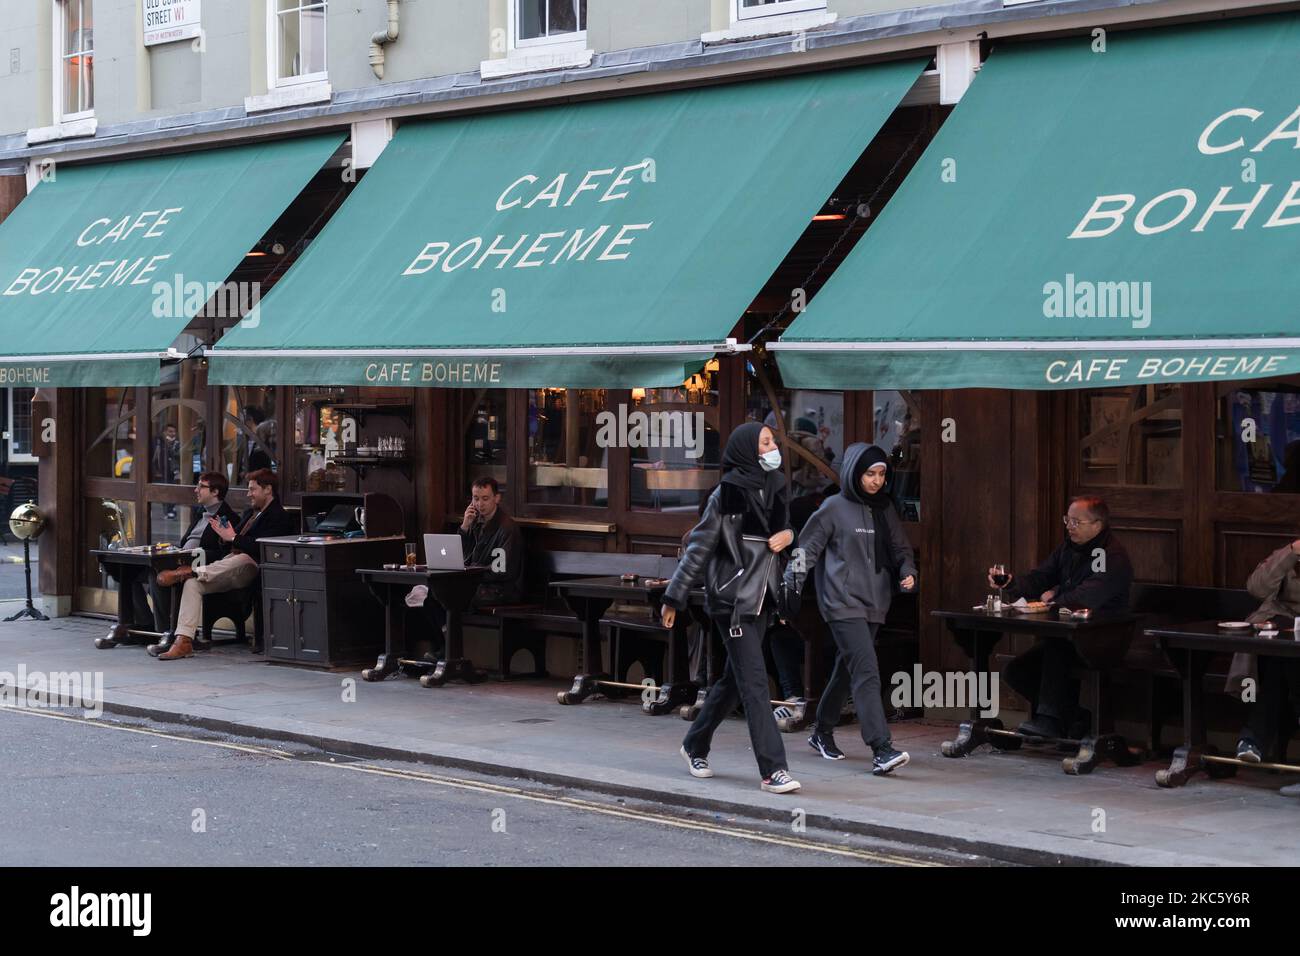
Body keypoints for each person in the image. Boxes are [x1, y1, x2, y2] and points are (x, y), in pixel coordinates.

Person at [661, 422, 801, 794]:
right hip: (733, 600)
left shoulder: (776, 486)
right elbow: (699, 547)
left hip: (764, 598)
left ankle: (694, 743)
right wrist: (674, 597)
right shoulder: (726, 494)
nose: (774, 448)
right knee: (755, 683)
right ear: (747, 450)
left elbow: (785, 532)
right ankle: (773, 770)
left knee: (735, 682)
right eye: (766, 443)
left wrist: (789, 535)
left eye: (773, 442)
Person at [785, 443, 916, 775]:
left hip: (876, 602)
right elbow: (806, 549)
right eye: (870, 474)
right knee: (867, 670)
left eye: (882, 474)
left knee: (848, 668)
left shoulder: (884, 508)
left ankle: (821, 731)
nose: (876, 481)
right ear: (853, 474)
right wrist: (791, 584)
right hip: (842, 602)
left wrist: (908, 572)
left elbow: (901, 548)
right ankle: (881, 748)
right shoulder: (832, 508)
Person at [996, 495, 1133, 739]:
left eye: (1076, 522)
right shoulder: (1068, 548)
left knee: (1056, 651)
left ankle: (1050, 721)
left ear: (1097, 525)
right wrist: (1012, 583)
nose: (1069, 526)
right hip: (1070, 633)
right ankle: (1077, 719)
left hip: (1103, 636)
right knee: (1017, 670)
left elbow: (1089, 594)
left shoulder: (1108, 555)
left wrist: (1055, 596)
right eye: (1067, 520)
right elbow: (1041, 577)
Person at [154, 469, 297, 660]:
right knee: (192, 584)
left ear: (268, 489)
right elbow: (231, 541)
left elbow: (265, 548)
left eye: (252, 489)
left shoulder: (279, 516)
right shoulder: (250, 513)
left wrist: (234, 537)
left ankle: (191, 571)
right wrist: (226, 537)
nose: (248, 494)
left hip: (254, 566)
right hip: (228, 566)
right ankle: (184, 641)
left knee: (242, 559)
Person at [413, 476, 525, 657]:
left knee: (450, 597)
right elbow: (462, 557)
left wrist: (470, 576)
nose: (480, 504)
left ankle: (449, 651)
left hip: (501, 589)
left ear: (497, 498)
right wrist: (464, 527)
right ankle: (446, 646)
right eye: (476, 498)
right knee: (430, 596)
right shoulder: (476, 524)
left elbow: (502, 570)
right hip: (476, 584)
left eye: (485, 498)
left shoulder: (507, 529)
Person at [136, 474, 240, 654]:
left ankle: (167, 633)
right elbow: (187, 541)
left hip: (198, 565)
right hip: (180, 558)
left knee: (157, 575)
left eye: (201, 486)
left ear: (215, 492)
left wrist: (190, 556)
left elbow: (224, 552)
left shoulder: (226, 517)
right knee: (133, 572)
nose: (196, 490)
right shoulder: (201, 513)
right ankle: (144, 624)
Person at [1230, 538, 1300, 795]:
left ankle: (1252, 739)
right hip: (1280, 638)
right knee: (1279, 662)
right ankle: (1252, 739)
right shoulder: (1287, 554)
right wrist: (1291, 553)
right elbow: (1256, 589)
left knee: (1284, 665)